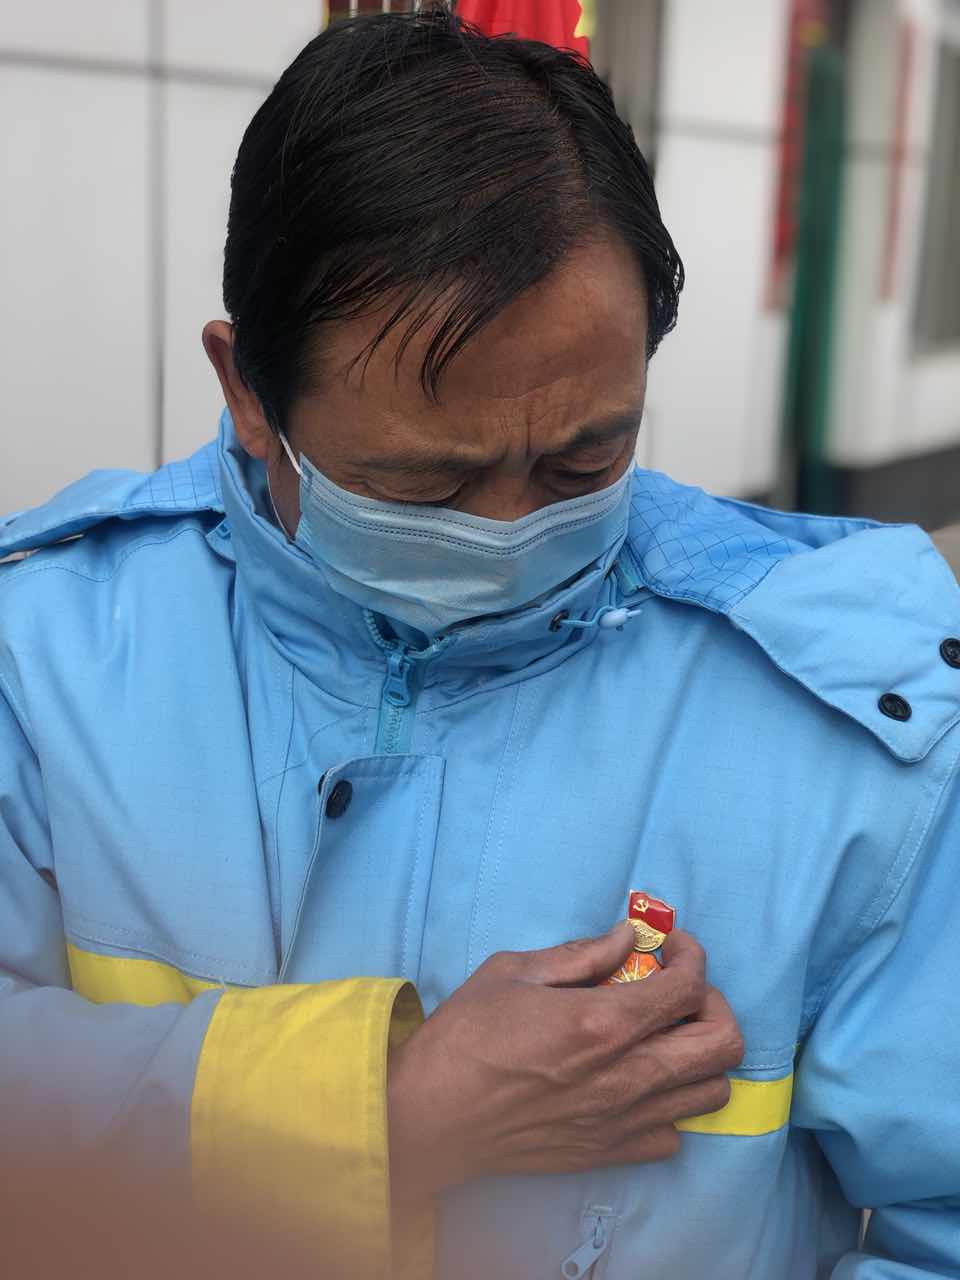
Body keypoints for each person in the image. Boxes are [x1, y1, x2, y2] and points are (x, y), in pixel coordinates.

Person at [1, 8, 958, 1279]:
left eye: (583, 460)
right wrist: (387, 1113)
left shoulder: (860, 717)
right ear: (248, 395)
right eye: (423, 484)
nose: (509, 535)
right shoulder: (45, 653)